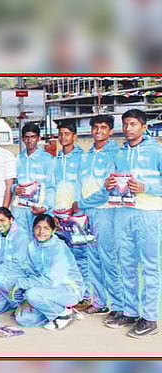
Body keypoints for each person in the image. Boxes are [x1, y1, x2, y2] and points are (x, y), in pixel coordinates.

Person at [103, 109, 161, 338]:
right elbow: (112, 179)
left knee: (149, 265)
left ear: (144, 127)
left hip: (148, 213)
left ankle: (150, 318)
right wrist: (109, 184)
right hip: (122, 212)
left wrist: (147, 187)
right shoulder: (120, 154)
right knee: (125, 263)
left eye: (133, 124)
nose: (128, 128)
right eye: (125, 124)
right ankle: (130, 311)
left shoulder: (156, 151)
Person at [72, 115, 121, 315]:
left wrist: (81, 204)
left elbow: (107, 191)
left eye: (103, 127)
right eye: (95, 127)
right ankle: (99, 302)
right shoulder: (86, 156)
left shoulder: (116, 155)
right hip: (86, 214)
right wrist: (79, 208)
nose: (99, 131)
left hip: (105, 213)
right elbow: (79, 184)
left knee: (109, 259)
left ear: (110, 131)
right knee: (92, 259)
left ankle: (119, 306)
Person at [13, 214, 83, 331]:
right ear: (33, 229)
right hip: (46, 290)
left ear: (53, 230)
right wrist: (26, 298)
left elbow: (52, 281)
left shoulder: (59, 247)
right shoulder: (32, 246)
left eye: (46, 228)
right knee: (24, 319)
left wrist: (23, 285)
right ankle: (63, 309)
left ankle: (65, 314)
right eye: (38, 227)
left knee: (33, 294)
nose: (41, 232)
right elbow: (31, 273)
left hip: (68, 289)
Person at [53, 120, 89, 300]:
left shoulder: (83, 158)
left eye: (67, 134)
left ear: (75, 136)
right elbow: (52, 187)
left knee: (81, 256)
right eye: (60, 134)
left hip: (77, 215)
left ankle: (85, 295)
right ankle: (68, 293)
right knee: (62, 255)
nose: (63, 137)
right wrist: (52, 212)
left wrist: (79, 205)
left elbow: (86, 185)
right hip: (58, 215)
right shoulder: (56, 159)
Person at [0, 207, 30, 315]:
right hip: (4, 276)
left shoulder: (22, 236)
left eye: (2, 220)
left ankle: (19, 302)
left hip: (20, 275)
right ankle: (9, 300)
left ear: (11, 220)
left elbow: (17, 265)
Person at [11, 123, 56, 239]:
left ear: (38, 138)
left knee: (40, 239)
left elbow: (51, 186)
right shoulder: (18, 159)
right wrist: (15, 188)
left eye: (33, 137)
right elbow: (13, 183)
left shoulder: (47, 159)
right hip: (20, 210)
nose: (29, 140)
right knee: (21, 239)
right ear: (22, 139)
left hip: (39, 209)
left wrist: (45, 207)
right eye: (26, 137)